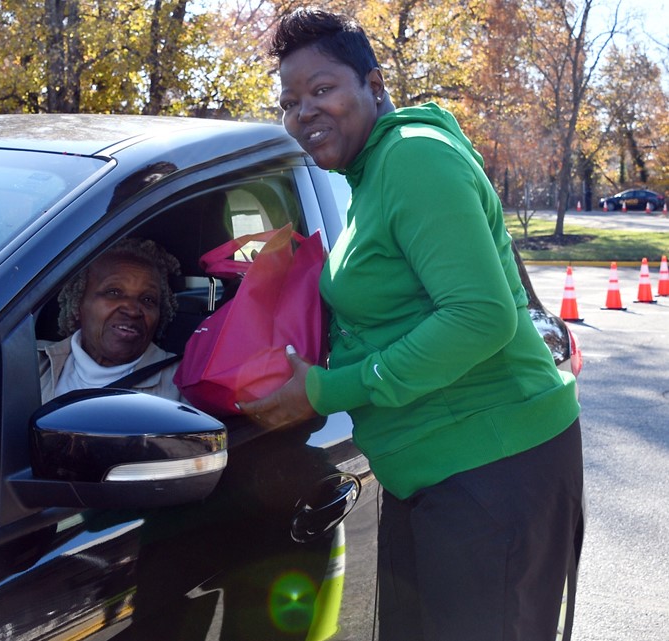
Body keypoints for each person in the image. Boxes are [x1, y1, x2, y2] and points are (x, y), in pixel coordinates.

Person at [239, 8, 583, 641]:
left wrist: (325, 390)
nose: (303, 112)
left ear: (373, 84)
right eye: (290, 102)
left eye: (322, 90)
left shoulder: (414, 160)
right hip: (433, 472)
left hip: (492, 469)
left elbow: (480, 318)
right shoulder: (368, 178)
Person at [39, 237, 183, 402]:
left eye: (148, 299)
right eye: (114, 292)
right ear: (78, 303)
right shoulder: (28, 364)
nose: (132, 310)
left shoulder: (182, 383)